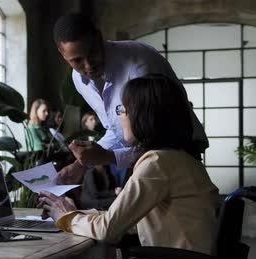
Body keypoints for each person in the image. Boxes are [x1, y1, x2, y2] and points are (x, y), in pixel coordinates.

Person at [39, 74, 219, 259]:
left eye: (123, 110)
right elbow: (130, 221)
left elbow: (108, 229)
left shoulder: (157, 163)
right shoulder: (181, 159)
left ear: (144, 116)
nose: (120, 117)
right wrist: (73, 212)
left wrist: (67, 217)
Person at [53, 13, 208, 184]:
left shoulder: (140, 67)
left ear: (99, 37)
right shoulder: (79, 79)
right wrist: (80, 165)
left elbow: (159, 141)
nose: (88, 65)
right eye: (77, 60)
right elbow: (116, 130)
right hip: (145, 159)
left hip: (177, 154)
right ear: (62, 54)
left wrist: (106, 156)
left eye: (92, 53)